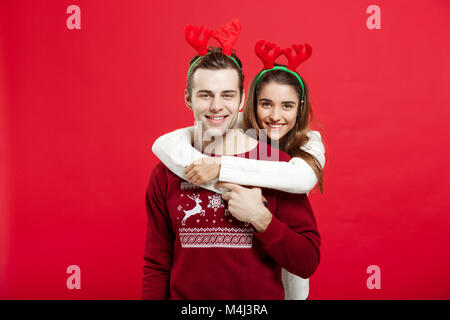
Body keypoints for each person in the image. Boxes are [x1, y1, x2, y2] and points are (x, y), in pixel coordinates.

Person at [142, 20, 320, 299]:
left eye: (226, 95)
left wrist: (261, 218)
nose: (216, 106)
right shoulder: (165, 172)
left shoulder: (276, 167)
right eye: (205, 95)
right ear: (188, 98)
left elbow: (307, 261)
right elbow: (157, 264)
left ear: (241, 101)